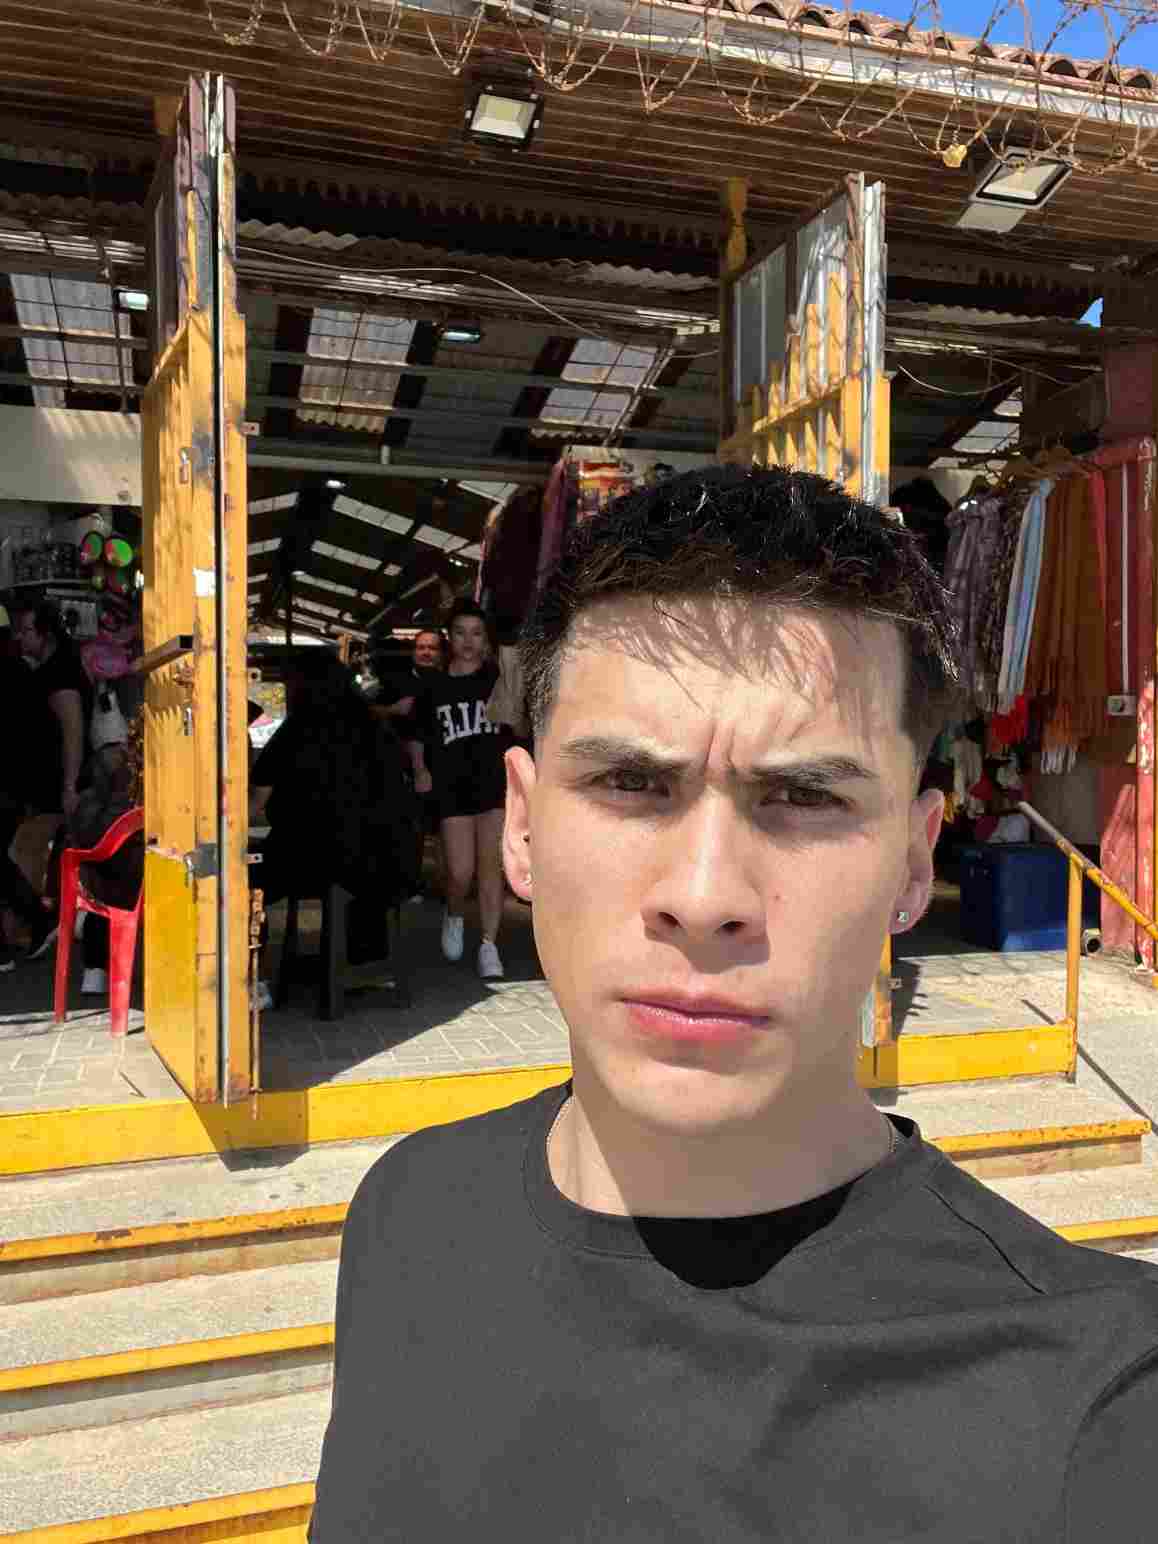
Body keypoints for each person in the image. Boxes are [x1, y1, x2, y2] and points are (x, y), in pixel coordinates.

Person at [311, 465, 1158, 1544]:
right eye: (630, 783)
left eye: (804, 797)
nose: (705, 895)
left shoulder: (1101, 1410)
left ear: (914, 862)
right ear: (521, 827)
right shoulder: (408, 1216)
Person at [250, 652, 421, 991]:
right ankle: (363, 962)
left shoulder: (296, 730)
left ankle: (251, 978)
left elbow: (257, 801)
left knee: (241, 878)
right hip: (384, 860)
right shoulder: (376, 726)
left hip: (314, 857)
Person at [408, 603, 508, 981]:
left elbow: (519, 727)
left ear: (486, 639)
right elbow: (416, 735)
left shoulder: (498, 679)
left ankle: (489, 945)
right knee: (461, 872)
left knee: (491, 869)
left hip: (493, 785)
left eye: (477, 633)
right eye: (461, 632)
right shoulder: (433, 685)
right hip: (451, 788)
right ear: (450, 638)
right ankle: (454, 913)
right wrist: (421, 770)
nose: (469, 641)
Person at [369, 629, 445, 903]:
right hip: (403, 767)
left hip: (440, 763)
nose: (426, 653)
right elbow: (364, 710)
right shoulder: (396, 683)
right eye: (421, 647)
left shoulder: (446, 680)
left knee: (438, 828)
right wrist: (392, 711)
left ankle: (440, 883)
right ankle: (410, 883)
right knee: (412, 829)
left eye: (432, 648)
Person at [0, 605, 56, 968]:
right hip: (16, 785)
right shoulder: (20, 672)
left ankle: (37, 919)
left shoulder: (12, 674)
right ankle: (36, 919)